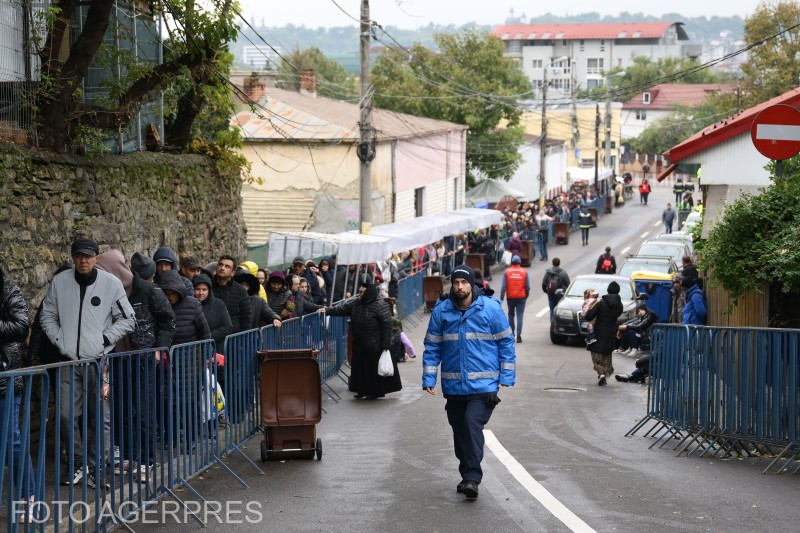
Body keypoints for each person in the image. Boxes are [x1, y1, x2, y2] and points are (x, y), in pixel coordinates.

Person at [41, 238, 136, 488]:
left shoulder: (111, 284)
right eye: (79, 255)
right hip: (68, 362)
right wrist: (60, 340)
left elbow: (128, 319)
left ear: (96, 257)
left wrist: (105, 339)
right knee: (64, 415)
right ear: (73, 257)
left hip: (99, 362)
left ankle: (97, 468)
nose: (84, 260)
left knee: (100, 417)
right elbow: (47, 315)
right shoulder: (60, 282)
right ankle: (78, 462)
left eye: (89, 256)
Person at [422, 265, 516, 500]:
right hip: (454, 386)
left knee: (471, 423)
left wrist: (506, 376)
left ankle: (472, 478)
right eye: (456, 283)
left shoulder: (490, 308)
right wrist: (429, 378)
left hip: (484, 386)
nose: (460, 287)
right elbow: (432, 346)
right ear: (451, 285)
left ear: (472, 284)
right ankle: (466, 474)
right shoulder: (442, 311)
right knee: (459, 430)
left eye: (464, 282)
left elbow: (506, 342)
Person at [97, 250, 176, 483]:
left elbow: (167, 320)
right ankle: (129, 457)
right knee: (121, 410)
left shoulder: (149, 290)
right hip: (117, 359)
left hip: (144, 358)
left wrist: (160, 349)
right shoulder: (106, 292)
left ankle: (147, 461)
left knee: (143, 412)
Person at [0, 266, 36, 521]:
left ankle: (27, 496)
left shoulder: (9, 293)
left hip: (5, 382)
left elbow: (21, 327)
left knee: (11, 439)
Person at [327, 283, 401, 400]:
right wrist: (327, 310)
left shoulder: (380, 305)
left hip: (374, 345)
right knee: (359, 370)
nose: (360, 294)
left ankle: (373, 392)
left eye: (362, 292)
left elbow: (387, 326)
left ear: (368, 292)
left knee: (372, 371)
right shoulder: (356, 303)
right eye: (359, 291)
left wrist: (386, 345)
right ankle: (361, 390)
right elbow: (341, 309)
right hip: (359, 343)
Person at [583, 281, 624, 386]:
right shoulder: (620, 305)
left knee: (595, 355)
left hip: (598, 332)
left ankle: (601, 373)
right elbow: (617, 315)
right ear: (618, 291)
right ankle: (604, 375)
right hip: (611, 332)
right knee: (607, 355)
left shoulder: (601, 303)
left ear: (608, 290)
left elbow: (589, 316)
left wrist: (588, 311)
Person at [212, 255, 252, 334]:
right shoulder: (207, 287)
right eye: (220, 265)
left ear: (233, 272)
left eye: (227, 266)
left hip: (232, 339)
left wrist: (242, 340)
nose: (222, 268)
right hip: (211, 336)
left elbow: (246, 317)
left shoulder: (240, 290)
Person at [192, 274, 232, 349]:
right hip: (193, 349)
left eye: (204, 289)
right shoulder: (189, 304)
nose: (201, 293)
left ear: (209, 290)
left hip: (214, 347)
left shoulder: (218, 304)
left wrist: (207, 337)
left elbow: (227, 327)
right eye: (197, 289)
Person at [500, 255, 529, 343]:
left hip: (510, 297)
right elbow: (527, 286)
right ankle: (519, 336)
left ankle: (512, 334)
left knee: (511, 315)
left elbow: (503, 286)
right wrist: (526, 295)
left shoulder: (507, 272)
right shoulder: (524, 272)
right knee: (520, 315)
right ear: (520, 262)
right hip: (521, 296)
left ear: (512, 262)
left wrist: (502, 297)